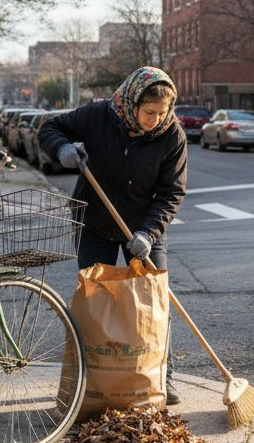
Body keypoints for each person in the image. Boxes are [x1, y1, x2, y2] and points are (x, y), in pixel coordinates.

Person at [38, 66, 188, 405]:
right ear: (132, 102)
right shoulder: (99, 116)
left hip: (144, 227)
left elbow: (172, 192)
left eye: (162, 113)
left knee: (154, 301)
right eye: (149, 112)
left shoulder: (172, 135)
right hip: (94, 222)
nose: (154, 120)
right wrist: (62, 149)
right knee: (96, 303)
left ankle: (163, 375)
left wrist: (148, 234)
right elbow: (50, 126)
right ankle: (94, 378)